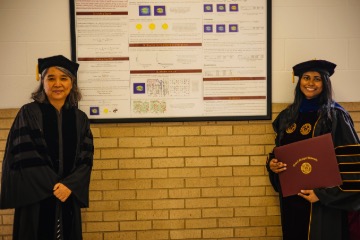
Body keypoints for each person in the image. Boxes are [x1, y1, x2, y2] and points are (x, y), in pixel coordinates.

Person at [0, 55, 94, 240]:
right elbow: (23, 155)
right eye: (51, 78)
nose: (57, 83)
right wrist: (54, 186)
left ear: (72, 83)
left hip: (68, 194)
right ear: (42, 82)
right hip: (36, 197)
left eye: (64, 78)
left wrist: (69, 185)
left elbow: (86, 157)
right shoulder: (28, 113)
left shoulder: (80, 118)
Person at [266, 59, 360, 240]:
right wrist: (273, 163)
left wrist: (324, 195)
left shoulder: (334, 115)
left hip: (323, 203)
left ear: (325, 83)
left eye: (317, 79)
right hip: (292, 200)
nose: (310, 83)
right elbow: (280, 149)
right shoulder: (288, 115)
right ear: (299, 81)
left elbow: (352, 162)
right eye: (306, 78)